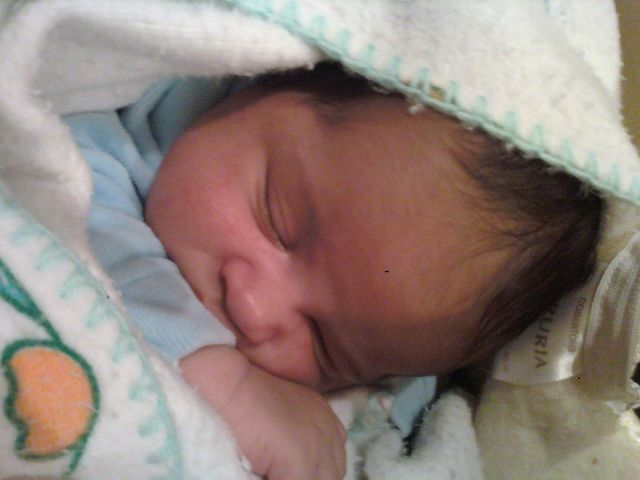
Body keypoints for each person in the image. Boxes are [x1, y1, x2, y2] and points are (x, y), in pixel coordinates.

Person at [68, 62, 603, 480]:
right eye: (276, 221)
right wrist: (221, 378)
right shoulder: (112, 103)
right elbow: (70, 226)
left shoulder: (395, 379)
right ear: (266, 78)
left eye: (325, 345)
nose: (253, 309)